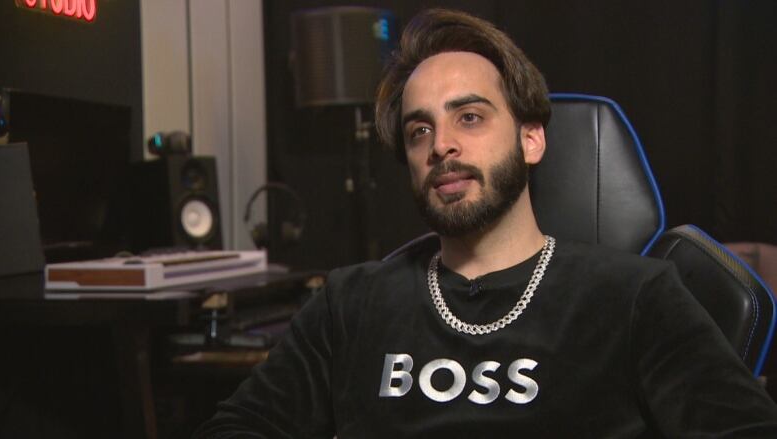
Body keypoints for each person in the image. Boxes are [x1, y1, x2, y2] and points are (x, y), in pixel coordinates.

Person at [195, 9, 777, 438]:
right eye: (419, 130)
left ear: (531, 138)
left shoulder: (634, 297)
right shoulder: (350, 302)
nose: (442, 145)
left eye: (469, 117)